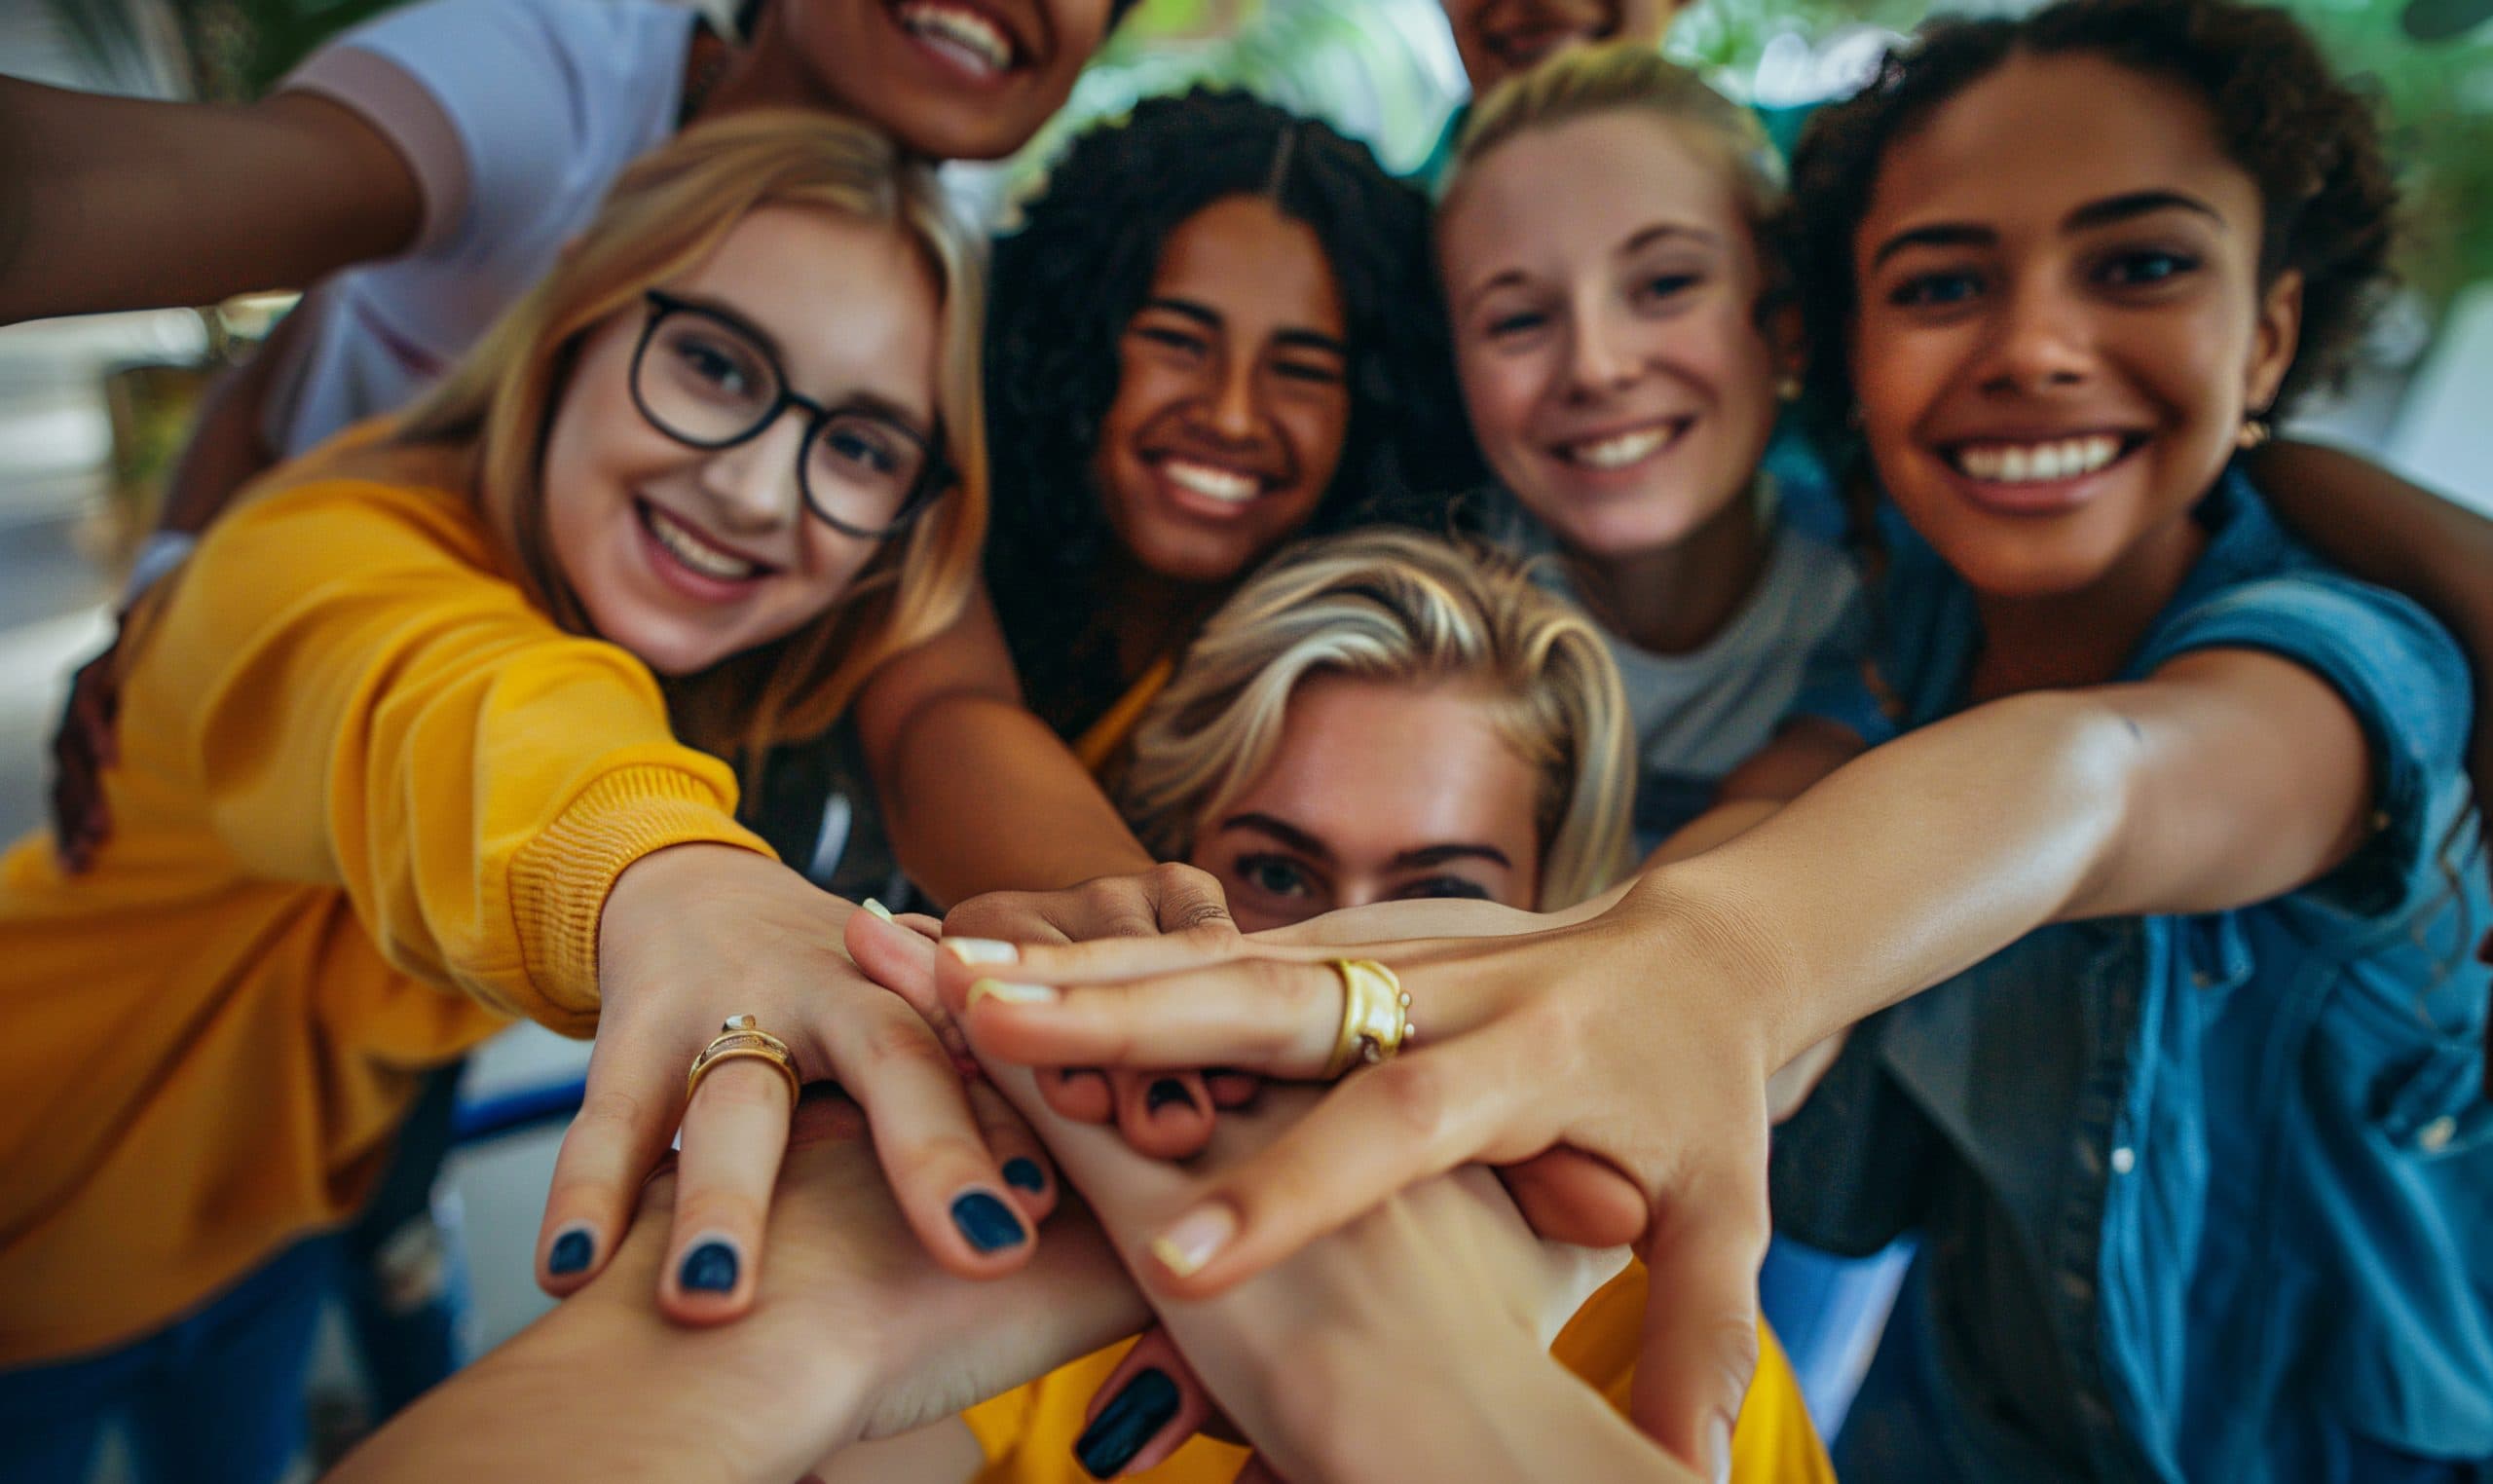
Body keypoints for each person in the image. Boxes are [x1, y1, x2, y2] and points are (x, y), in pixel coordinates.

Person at [923, 3, 2493, 1479]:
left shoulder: (2343, 650)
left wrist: (1715, 966)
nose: (2033, 345)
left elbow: (2101, 784)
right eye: (1942, 285)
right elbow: (1765, 842)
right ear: (1851, 338)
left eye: (2140, 265)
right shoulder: (1896, 640)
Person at [0, 112, 1062, 1484]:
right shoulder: (314, 560)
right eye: (713, 363)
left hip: (261, 1253)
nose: (755, 489)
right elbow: (451, 708)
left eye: (860, 446)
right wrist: (678, 881)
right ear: (572, 324)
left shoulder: (651, 637)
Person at [950, 529, 1828, 1483]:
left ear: (1555, 913)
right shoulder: (1041, 1180)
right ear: (1176, 861)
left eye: (1441, 891)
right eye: (1277, 873)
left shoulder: (1649, 1336)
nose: (1344, 958)